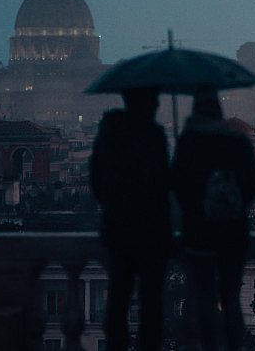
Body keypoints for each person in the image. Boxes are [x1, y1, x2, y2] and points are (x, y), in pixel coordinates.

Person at [171, 89, 255, 351]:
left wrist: (195, 210)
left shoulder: (189, 141)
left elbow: (177, 185)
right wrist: (234, 207)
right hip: (234, 234)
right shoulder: (238, 142)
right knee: (231, 299)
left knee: (206, 299)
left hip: (199, 235)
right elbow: (253, 183)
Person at [90, 87, 171, 351]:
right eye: (154, 99)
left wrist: (113, 206)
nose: (158, 103)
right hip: (152, 230)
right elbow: (161, 183)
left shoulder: (109, 134)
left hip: (119, 228)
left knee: (118, 299)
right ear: (147, 103)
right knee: (151, 302)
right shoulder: (154, 135)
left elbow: (95, 178)